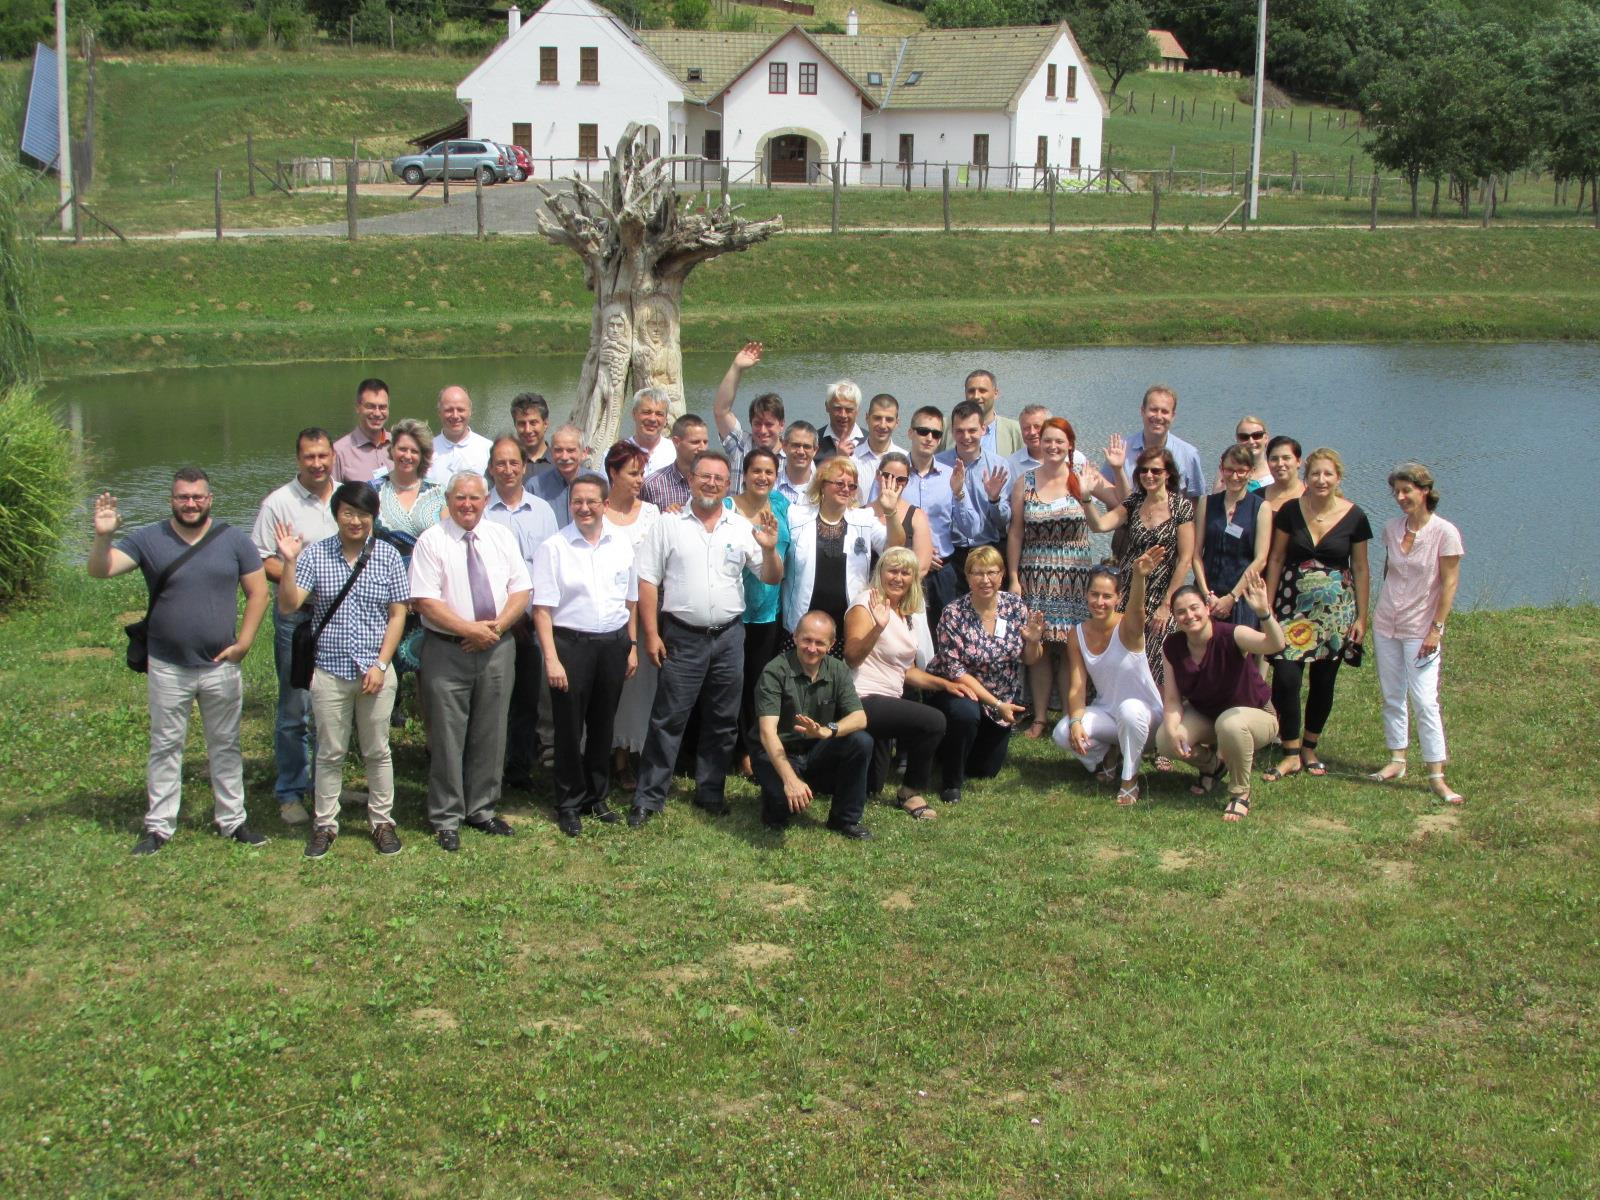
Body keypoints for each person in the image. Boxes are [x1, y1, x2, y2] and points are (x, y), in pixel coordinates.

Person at [88, 473, 270, 855]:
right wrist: (103, 535)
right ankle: (159, 827)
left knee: (226, 744)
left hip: (220, 664)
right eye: (184, 497)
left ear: (210, 498)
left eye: (198, 497)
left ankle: (232, 820)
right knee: (166, 745)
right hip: (168, 665)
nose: (191, 504)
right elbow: (100, 570)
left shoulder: (234, 540)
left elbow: (258, 593)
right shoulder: (148, 539)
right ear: (171, 499)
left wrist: (245, 642)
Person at [631, 450, 782, 826]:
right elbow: (648, 582)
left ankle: (710, 790)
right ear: (692, 480)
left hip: (730, 637)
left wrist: (768, 548)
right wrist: (650, 634)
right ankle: (649, 797)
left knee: (722, 718)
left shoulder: (741, 527)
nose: (711, 484)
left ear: (727, 484)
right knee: (668, 718)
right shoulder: (668, 525)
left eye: (718, 478)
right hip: (683, 636)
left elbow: (771, 577)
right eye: (704, 477)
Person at [273, 482, 410, 858]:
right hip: (329, 671)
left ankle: (382, 821)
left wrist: (382, 664)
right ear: (336, 514)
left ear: (373, 517)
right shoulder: (316, 555)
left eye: (363, 513)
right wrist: (288, 561)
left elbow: (398, 613)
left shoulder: (387, 556)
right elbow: (289, 604)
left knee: (377, 750)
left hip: (375, 672)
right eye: (348, 512)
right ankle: (324, 823)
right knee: (330, 751)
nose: (356, 520)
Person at [408, 472, 532, 851]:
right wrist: (469, 630)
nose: (467, 505)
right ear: (449, 499)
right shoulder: (432, 541)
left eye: (475, 498)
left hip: (497, 647)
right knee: (447, 733)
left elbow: (521, 589)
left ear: (485, 499)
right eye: (460, 498)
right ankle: (446, 815)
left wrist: (495, 628)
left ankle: (482, 808)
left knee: (491, 730)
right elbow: (425, 601)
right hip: (448, 649)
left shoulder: (500, 537)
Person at [532, 475, 640, 836]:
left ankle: (597, 797)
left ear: (605, 504)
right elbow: (543, 610)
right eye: (577, 501)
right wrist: (551, 658)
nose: (584, 508)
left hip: (613, 644)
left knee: (602, 725)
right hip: (570, 646)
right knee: (568, 728)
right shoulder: (554, 547)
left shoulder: (621, 544)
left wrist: (632, 645)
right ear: (570, 505)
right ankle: (568, 802)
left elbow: (631, 600)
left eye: (592, 501)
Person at [1263, 447, 1372, 781]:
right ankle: (1291, 751)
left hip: (1335, 613)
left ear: (1338, 478)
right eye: (1315, 474)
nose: (1321, 480)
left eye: (1328, 474)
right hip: (1289, 607)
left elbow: (1362, 568)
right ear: (1305, 477)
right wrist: (1266, 608)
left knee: (1324, 681)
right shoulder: (1290, 512)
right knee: (1285, 677)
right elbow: (1277, 559)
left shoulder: (1355, 516)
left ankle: (1310, 746)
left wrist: (1361, 618)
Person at [843, 547, 972, 819]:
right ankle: (910, 792)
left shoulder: (906, 613)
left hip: (888, 699)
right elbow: (852, 657)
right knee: (933, 721)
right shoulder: (866, 602)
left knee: (872, 787)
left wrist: (945, 684)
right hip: (862, 696)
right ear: (880, 573)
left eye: (905, 572)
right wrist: (878, 627)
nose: (898, 578)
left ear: (914, 578)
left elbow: (907, 672)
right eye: (893, 570)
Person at [252, 427, 339, 826]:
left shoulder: (345, 498)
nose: (318, 464)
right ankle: (289, 790)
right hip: (297, 619)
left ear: (332, 455)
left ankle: (325, 787)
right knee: (294, 707)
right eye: (310, 457)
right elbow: (262, 560)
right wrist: (301, 580)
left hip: (337, 618)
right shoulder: (279, 503)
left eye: (323, 456)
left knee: (331, 706)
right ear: (298, 459)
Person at [1369, 462, 1464, 804]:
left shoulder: (1445, 532)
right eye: (1396, 491)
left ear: (1424, 491)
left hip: (1421, 628)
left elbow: (1449, 583)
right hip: (1386, 623)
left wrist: (1436, 629)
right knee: (1392, 694)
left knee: (1424, 700)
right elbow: (1388, 572)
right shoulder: (1391, 529)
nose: (1401, 497)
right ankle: (1397, 759)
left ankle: (1437, 775)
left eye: (1407, 490)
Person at [1157, 574, 1286, 819]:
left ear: (1207, 608)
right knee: (1165, 739)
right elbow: (1173, 700)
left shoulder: (1232, 635)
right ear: (1174, 617)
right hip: (1209, 716)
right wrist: (1174, 730)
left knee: (1230, 724)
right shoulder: (1172, 646)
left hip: (1256, 714)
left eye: (1195, 608)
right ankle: (1213, 766)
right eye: (1181, 612)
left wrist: (1264, 613)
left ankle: (1240, 793)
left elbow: (1275, 644)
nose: (1189, 616)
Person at [929, 546, 1045, 804]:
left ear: (1002, 574)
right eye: (978, 573)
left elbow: (1029, 659)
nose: (985, 580)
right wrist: (996, 703)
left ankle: (945, 750)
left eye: (991, 572)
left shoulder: (1015, 606)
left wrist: (1034, 642)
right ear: (968, 577)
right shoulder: (953, 614)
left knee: (985, 771)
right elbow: (956, 671)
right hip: (961, 691)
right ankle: (951, 782)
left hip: (1001, 699)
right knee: (965, 714)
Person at [1005, 417, 1094, 738]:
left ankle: (1073, 716)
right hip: (1034, 574)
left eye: (1060, 441)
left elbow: (1120, 505)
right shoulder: (1024, 482)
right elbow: (1015, 532)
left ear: (1070, 444)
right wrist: (1013, 577)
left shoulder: (1081, 479)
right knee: (1039, 645)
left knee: (1071, 647)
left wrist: (1119, 471)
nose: (1053, 446)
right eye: (1048, 440)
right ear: (1039, 444)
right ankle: (1040, 716)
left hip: (1076, 576)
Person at [1076, 446, 1196, 682]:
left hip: (1162, 593)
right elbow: (1099, 525)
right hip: (1129, 590)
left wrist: (1167, 604)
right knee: (1123, 654)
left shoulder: (1181, 508)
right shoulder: (1133, 502)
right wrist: (1087, 498)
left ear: (1168, 474)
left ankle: (1161, 710)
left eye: (1156, 470)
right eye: (1143, 470)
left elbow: (1185, 560)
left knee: (1156, 657)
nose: (1149, 475)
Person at [1054, 551, 1165, 805]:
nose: (1099, 602)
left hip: (1147, 718)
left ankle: (1129, 780)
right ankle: (1108, 754)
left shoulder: (1128, 627)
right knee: (1061, 732)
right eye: (1094, 594)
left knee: (1129, 710)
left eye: (1107, 596)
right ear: (1086, 595)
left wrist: (1139, 577)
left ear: (1118, 598)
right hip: (1109, 714)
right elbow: (1077, 685)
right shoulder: (1077, 634)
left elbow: (1137, 611)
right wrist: (1075, 722)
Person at [753, 611, 876, 838]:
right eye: (807, 640)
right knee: (779, 812)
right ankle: (779, 797)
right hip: (779, 751)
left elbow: (860, 718)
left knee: (861, 741)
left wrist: (827, 730)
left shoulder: (838, 669)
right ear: (795, 636)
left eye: (820, 643)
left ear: (831, 645)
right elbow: (766, 733)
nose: (812, 648)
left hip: (815, 750)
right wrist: (790, 781)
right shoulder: (775, 671)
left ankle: (844, 819)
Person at [484, 435, 561, 789]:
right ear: (491, 468)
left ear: (524, 466)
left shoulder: (542, 510)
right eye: (500, 463)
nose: (508, 469)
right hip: (496, 621)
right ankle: (488, 765)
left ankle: (519, 765)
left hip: (535, 618)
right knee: (495, 697)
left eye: (514, 462)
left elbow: (550, 564)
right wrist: (508, 617)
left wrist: (536, 611)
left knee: (529, 696)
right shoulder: (482, 512)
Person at [781, 456, 902, 653]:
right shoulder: (795, 515)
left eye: (852, 486)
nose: (846, 489)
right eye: (839, 483)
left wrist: (891, 512)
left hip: (846, 622)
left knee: (839, 680)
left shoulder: (863, 518)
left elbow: (894, 547)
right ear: (822, 485)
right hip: (803, 620)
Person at [602, 442, 663, 791]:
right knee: (608, 689)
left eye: (642, 472)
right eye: (633, 473)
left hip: (643, 616)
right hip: (606, 617)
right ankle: (604, 753)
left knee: (637, 691)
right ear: (613, 473)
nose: (640, 480)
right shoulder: (597, 511)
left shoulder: (653, 515)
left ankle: (628, 753)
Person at [731, 447, 790, 774]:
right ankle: (736, 749)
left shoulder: (782, 506)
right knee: (733, 684)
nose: (763, 477)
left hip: (769, 613)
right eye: (756, 471)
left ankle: (752, 749)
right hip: (734, 613)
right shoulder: (728, 508)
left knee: (760, 684)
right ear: (745, 473)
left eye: (769, 472)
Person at [1194, 445, 1271, 631]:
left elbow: (1261, 559)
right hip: (1207, 595)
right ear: (1221, 469)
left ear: (1251, 472)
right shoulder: (1207, 503)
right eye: (1229, 469)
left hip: (1241, 598)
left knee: (1238, 655)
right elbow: (1196, 554)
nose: (1235, 476)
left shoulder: (1261, 508)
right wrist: (1206, 594)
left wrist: (1231, 597)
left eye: (1241, 471)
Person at [899, 405, 964, 628]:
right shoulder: (895, 472)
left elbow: (966, 528)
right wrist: (919, 554)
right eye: (923, 431)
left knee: (944, 634)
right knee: (905, 632)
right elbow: (878, 518)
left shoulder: (950, 475)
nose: (929, 438)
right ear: (910, 433)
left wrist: (960, 493)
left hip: (943, 571)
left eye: (936, 434)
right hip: (904, 569)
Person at [939, 399, 1013, 583]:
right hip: (951, 555)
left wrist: (994, 500)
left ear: (983, 429)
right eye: (960, 431)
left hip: (988, 551)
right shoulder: (939, 465)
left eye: (972, 430)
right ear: (952, 431)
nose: (966, 437)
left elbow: (1003, 522)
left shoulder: (999, 466)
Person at [1105, 385, 1206, 501]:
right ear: (1142, 411)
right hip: (1125, 517)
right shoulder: (1120, 449)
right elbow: (1104, 489)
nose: (1158, 416)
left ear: (1173, 416)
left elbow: (1197, 501)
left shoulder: (1188, 454)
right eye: (1153, 410)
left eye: (1164, 412)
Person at [712, 341, 785, 489]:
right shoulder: (740, 445)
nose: (763, 431)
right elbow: (721, 411)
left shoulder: (794, 455)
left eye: (769, 424)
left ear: (782, 424)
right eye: (757, 424)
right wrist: (736, 368)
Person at [374, 419, 446, 555]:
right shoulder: (374, 489)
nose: (407, 456)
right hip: (384, 573)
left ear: (422, 455)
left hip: (429, 572)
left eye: (414, 451)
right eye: (402, 449)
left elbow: (447, 542)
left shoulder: (438, 492)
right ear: (392, 449)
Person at [868, 452, 933, 579]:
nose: (893, 482)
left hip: (903, 589)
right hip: (866, 590)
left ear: (907, 482)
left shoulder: (916, 515)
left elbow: (922, 567)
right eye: (887, 476)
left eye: (900, 479)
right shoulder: (861, 513)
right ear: (877, 475)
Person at [641, 414, 710, 512]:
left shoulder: (715, 482)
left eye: (705, 442)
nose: (702, 448)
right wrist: (664, 518)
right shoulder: (652, 485)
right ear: (676, 442)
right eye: (695, 442)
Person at [426, 385, 493, 484]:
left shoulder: (488, 448)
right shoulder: (426, 451)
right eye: (449, 410)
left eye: (460, 410)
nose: (455, 416)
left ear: (470, 411)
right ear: (439, 413)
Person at [331, 378, 391, 483]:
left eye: (382, 407)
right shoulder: (339, 452)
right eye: (370, 406)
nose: (377, 413)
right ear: (358, 407)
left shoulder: (400, 446)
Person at [954, 368, 1022, 457]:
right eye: (971, 391)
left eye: (982, 390)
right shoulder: (947, 430)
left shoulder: (1015, 430)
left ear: (996, 393)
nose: (976, 396)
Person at [527, 424, 594, 513]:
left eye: (570, 450)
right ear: (551, 452)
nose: (564, 457)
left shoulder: (598, 483)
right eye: (558, 450)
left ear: (584, 453)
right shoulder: (535, 487)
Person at [852, 393, 905, 504]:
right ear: (867, 418)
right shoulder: (851, 458)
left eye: (889, 420)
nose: (882, 425)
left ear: (897, 422)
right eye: (877, 418)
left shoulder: (906, 460)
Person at [1212, 415, 1273, 492]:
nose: (1251, 441)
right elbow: (1215, 500)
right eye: (1244, 437)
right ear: (1237, 439)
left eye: (1257, 435)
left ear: (1266, 438)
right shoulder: (1227, 471)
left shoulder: (1275, 472)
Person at [627, 387, 676, 474]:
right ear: (634, 414)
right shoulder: (616, 454)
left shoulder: (677, 453)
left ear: (666, 419)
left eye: (659, 414)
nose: (653, 419)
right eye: (646, 412)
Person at [817, 380, 864, 461]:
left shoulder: (869, 441)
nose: (843, 415)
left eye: (849, 409)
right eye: (837, 408)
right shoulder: (813, 441)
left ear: (858, 410)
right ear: (827, 407)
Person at [775, 421, 819, 508]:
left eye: (806, 446)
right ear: (784, 446)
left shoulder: (823, 489)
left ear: (815, 450)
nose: (801, 452)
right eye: (795, 445)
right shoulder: (771, 486)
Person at [1262, 435, 1305, 513]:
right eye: (1274, 459)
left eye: (1286, 458)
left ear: (1298, 461)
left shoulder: (1312, 495)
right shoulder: (1256, 498)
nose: (1280, 464)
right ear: (1268, 462)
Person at [1007, 404, 1052, 473]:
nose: (1032, 432)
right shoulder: (1010, 465)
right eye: (1026, 428)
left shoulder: (1070, 459)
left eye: (1037, 426)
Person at [512, 392, 553, 467]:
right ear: (515, 425)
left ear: (545, 424)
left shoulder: (561, 465)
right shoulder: (506, 466)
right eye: (522, 423)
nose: (527, 430)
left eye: (533, 423)